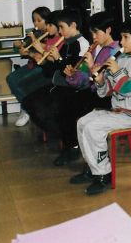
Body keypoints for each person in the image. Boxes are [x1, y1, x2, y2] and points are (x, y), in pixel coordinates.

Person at [69, 18, 131, 196]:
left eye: (125, 37)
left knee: (93, 127)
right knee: (82, 123)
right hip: (117, 111)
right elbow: (107, 91)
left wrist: (116, 72)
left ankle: (104, 175)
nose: (121, 42)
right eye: (120, 38)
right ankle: (92, 168)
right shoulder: (121, 59)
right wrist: (100, 81)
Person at [51, 11, 119, 166]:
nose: (93, 37)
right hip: (93, 91)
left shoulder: (115, 51)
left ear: (108, 30)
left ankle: (79, 150)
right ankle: (72, 146)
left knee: (71, 108)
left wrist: (89, 67)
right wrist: (73, 75)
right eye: (92, 33)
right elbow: (85, 79)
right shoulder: (96, 48)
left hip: (107, 96)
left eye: (96, 32)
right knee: (63, 105)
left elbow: (107, 81)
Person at [8, 6, 51, 127]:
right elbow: (24, 44)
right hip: (33, 65)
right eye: (34, 20)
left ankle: (27, 108)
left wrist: (30, 52)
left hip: (43, 68)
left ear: (47, 20)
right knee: (11, 78)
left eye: (39, 20)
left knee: (21, 82)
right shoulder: (36, 33)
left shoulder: (51, 35)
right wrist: (20, 45)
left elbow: (46, 56)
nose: (35, 23)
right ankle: (26, 107)